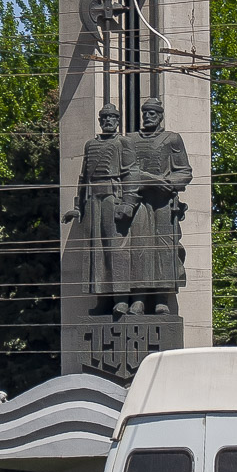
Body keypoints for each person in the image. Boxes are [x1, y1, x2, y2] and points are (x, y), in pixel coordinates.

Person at [120, 97, 191, 315]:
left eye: (153, 113)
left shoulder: (172, 139)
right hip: (139, 200)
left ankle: (162, 298)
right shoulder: (130, 140)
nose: (148, 117)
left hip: (163, 202)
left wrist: (168, 184)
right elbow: (123, 171)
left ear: (160, 116)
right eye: (145, 113)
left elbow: (185, 172)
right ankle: (139, 299)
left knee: (164, 248)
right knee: (139, 249)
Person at [63, 103, 135, 315]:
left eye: (112, 117)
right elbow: (83, 178)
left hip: (113, 197)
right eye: (104, 118)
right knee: (97, 251)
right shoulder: (90, 145)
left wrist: (128, 203)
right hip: (93, 200)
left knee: (116, 249)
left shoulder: (124, 143)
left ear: (117, 120)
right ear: (99, 121)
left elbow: (131, 174)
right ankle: (103, 299)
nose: (108, 121)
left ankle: (121, 299)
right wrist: (78, 206)